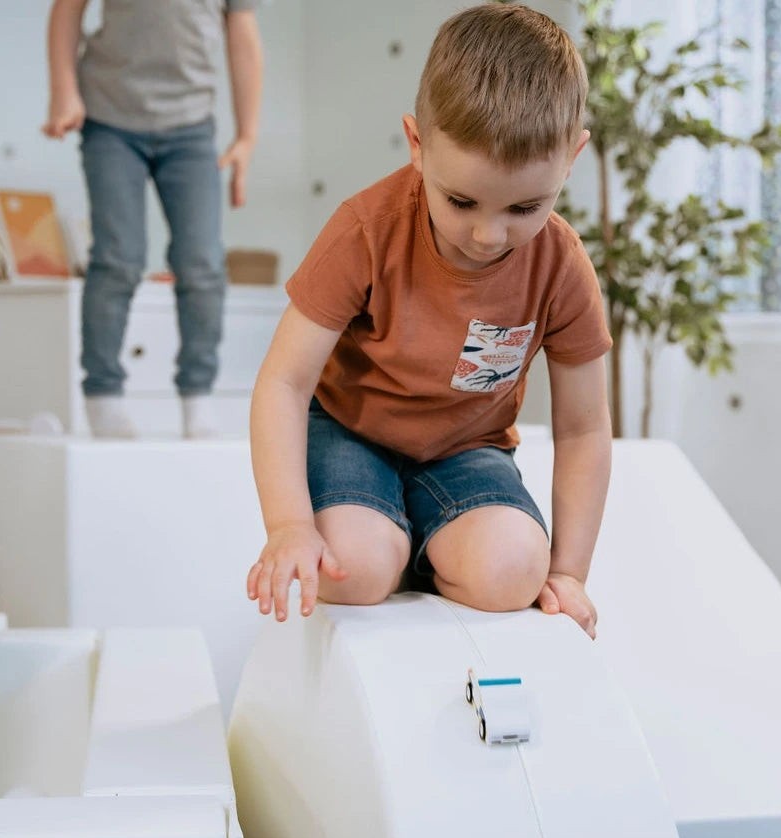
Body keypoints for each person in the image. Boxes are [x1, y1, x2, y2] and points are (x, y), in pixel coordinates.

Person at [246, 3, 612, 637]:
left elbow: (583, 429)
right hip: (350, 431)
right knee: (350, 569)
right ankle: (391, 543)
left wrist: (570, 572)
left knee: (513, 573)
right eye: (461, 200)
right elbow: (283, 382)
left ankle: (425, 545)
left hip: (467, 449)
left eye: (525, 207)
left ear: (571, 157)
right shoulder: (365, 230)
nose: (487, 235)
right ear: (417, 145)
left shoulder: (562, 264)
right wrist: (289, 527)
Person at [43, 0, 264, 439]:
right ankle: (103, 395)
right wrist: (64, 90)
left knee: (202, 263)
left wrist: (247, 135)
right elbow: (67, 9)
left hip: (191, 126)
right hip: (110, 118)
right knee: (117, 258)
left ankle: (198, 395)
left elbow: (243, 38)